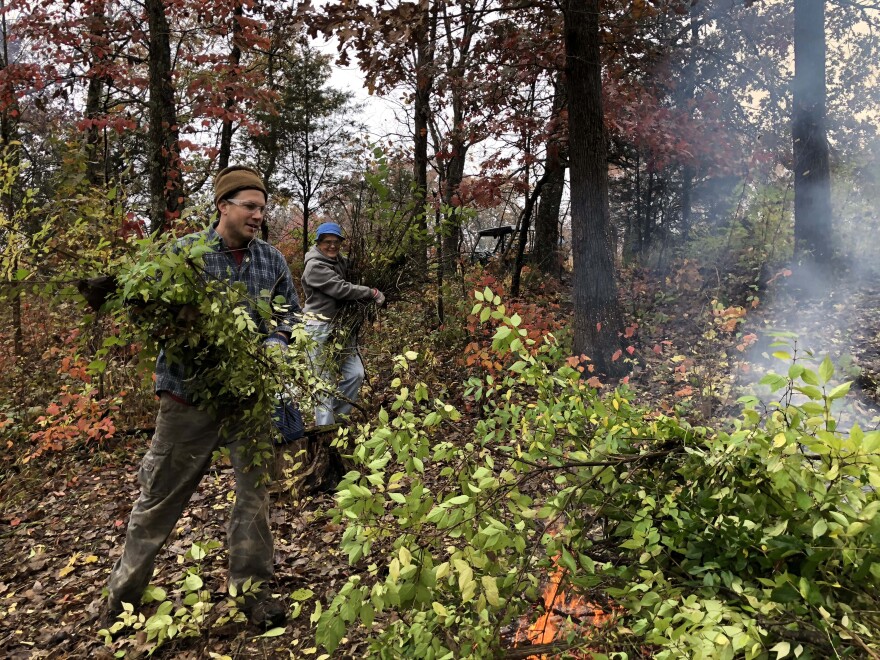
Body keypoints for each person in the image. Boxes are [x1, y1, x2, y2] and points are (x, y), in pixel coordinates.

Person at [102, 166, 300, 629]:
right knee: (159, 499)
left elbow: (290, 311)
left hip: (250, 401)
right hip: (188, 400)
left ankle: (252, 591)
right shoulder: (182, 256)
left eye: (263, 208)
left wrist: (278, 339)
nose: (258, 215)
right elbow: (151, 313)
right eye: (250, 206)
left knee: (254, 498)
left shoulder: (271, 260)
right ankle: (121, 600)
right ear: (223, 206)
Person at [301, 222, 384, 426]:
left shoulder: (339, 261)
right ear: (318, 243)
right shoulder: (314, 266)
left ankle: (337, 421)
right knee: (323, 383)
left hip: (341, 327)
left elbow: (352, 270)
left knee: (356, 373)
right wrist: (371, 292)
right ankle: (326, 431)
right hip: (317, 328)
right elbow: (341, 289)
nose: (332, 246)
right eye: (327, 242)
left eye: (336, 242)